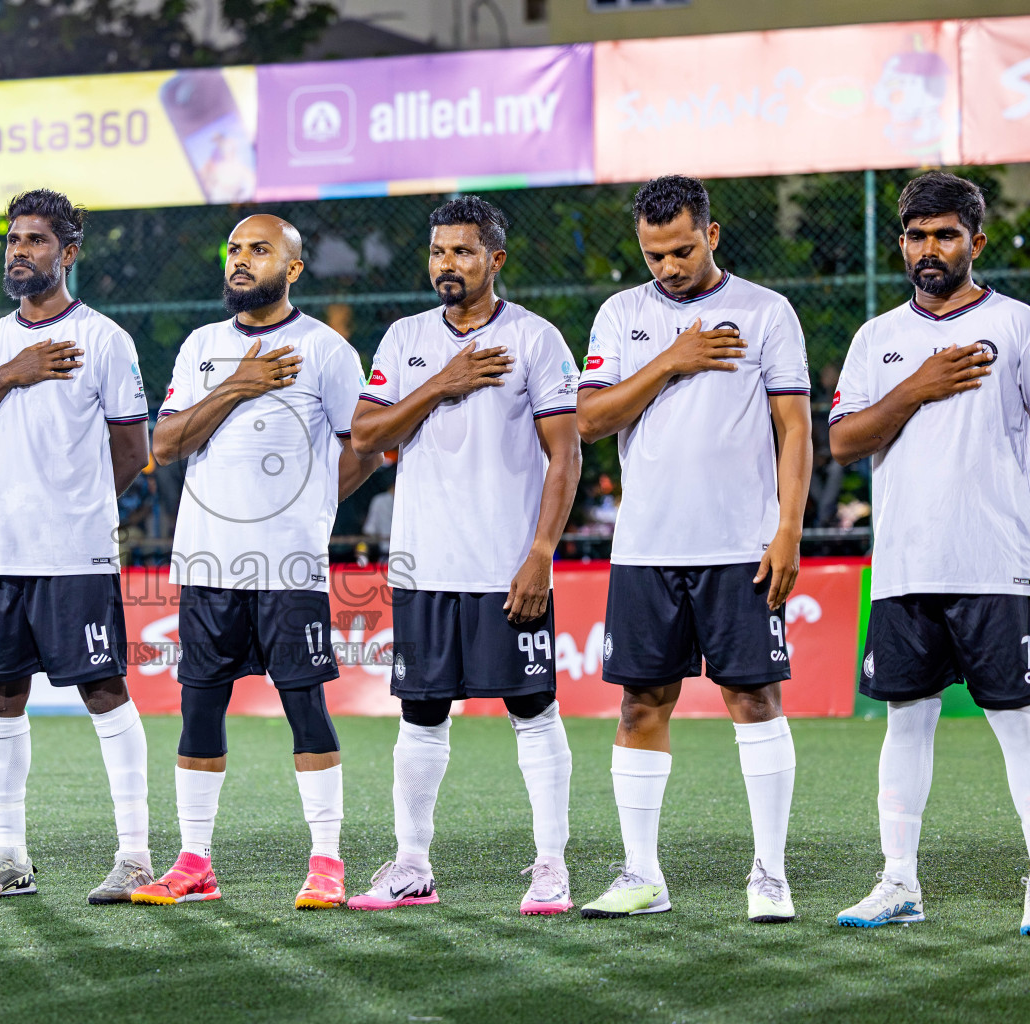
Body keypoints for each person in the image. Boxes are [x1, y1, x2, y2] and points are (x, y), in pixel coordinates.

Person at [575, 175, 812, 923]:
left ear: (712, 234)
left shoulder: (766, 311)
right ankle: (642, 875)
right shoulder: (622, 315)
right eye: (654, 255)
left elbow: (796, 428)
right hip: (645, 550)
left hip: (739, 547)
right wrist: (672, 360)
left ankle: (769, 874)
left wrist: (788, 530)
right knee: (641, 702)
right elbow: (589, 419)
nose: (668, 267)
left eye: (681, 250)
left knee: (753, 698)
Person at [134, 214, 381, 908]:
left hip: (289, 568)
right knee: (199, 713)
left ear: (293, 268)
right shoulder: (203, 346)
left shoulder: (326, 350)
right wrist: (239, 384)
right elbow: (170, 441)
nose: (241, 261)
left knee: (307, 708)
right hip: (208, 565)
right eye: (235, 250)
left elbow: (363, 447)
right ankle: (194, 863)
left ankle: (327, 861)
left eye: (259, 250)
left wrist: (309, 510)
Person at [346, 196, 581, 913]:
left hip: (506, 565)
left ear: (495, 260)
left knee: (533, 709)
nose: (448, 264)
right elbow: (366, 434)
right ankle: (412, 864)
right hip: (423, 565)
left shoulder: (536, 340)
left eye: (464, 252)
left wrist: (541, 553)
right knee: (421, 715)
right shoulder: (405, 339)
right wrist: (442, 381)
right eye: (439, 251)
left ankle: (550, 865)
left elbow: (565, 453)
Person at [0, 189, 154, 904]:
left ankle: (136, 856)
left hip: (72, 554)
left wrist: (80, 506)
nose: (19, 252)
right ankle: (9, 858)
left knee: (102, 688)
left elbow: (132, 450)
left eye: (34, 240)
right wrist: (9, 374)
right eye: (13, 240)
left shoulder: (105, 340)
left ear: (69, 251)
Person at [828, 171, 1030, 933]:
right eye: (915, 235)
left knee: (1020, 724)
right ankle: (899, 883)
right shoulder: (878, 339)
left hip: (997, 562)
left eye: (945, 234)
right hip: (906, 567)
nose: (928, 249)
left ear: (976, 243)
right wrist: (917, 386)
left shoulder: (1016, 326)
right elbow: (844, 441)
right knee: (905, 723)